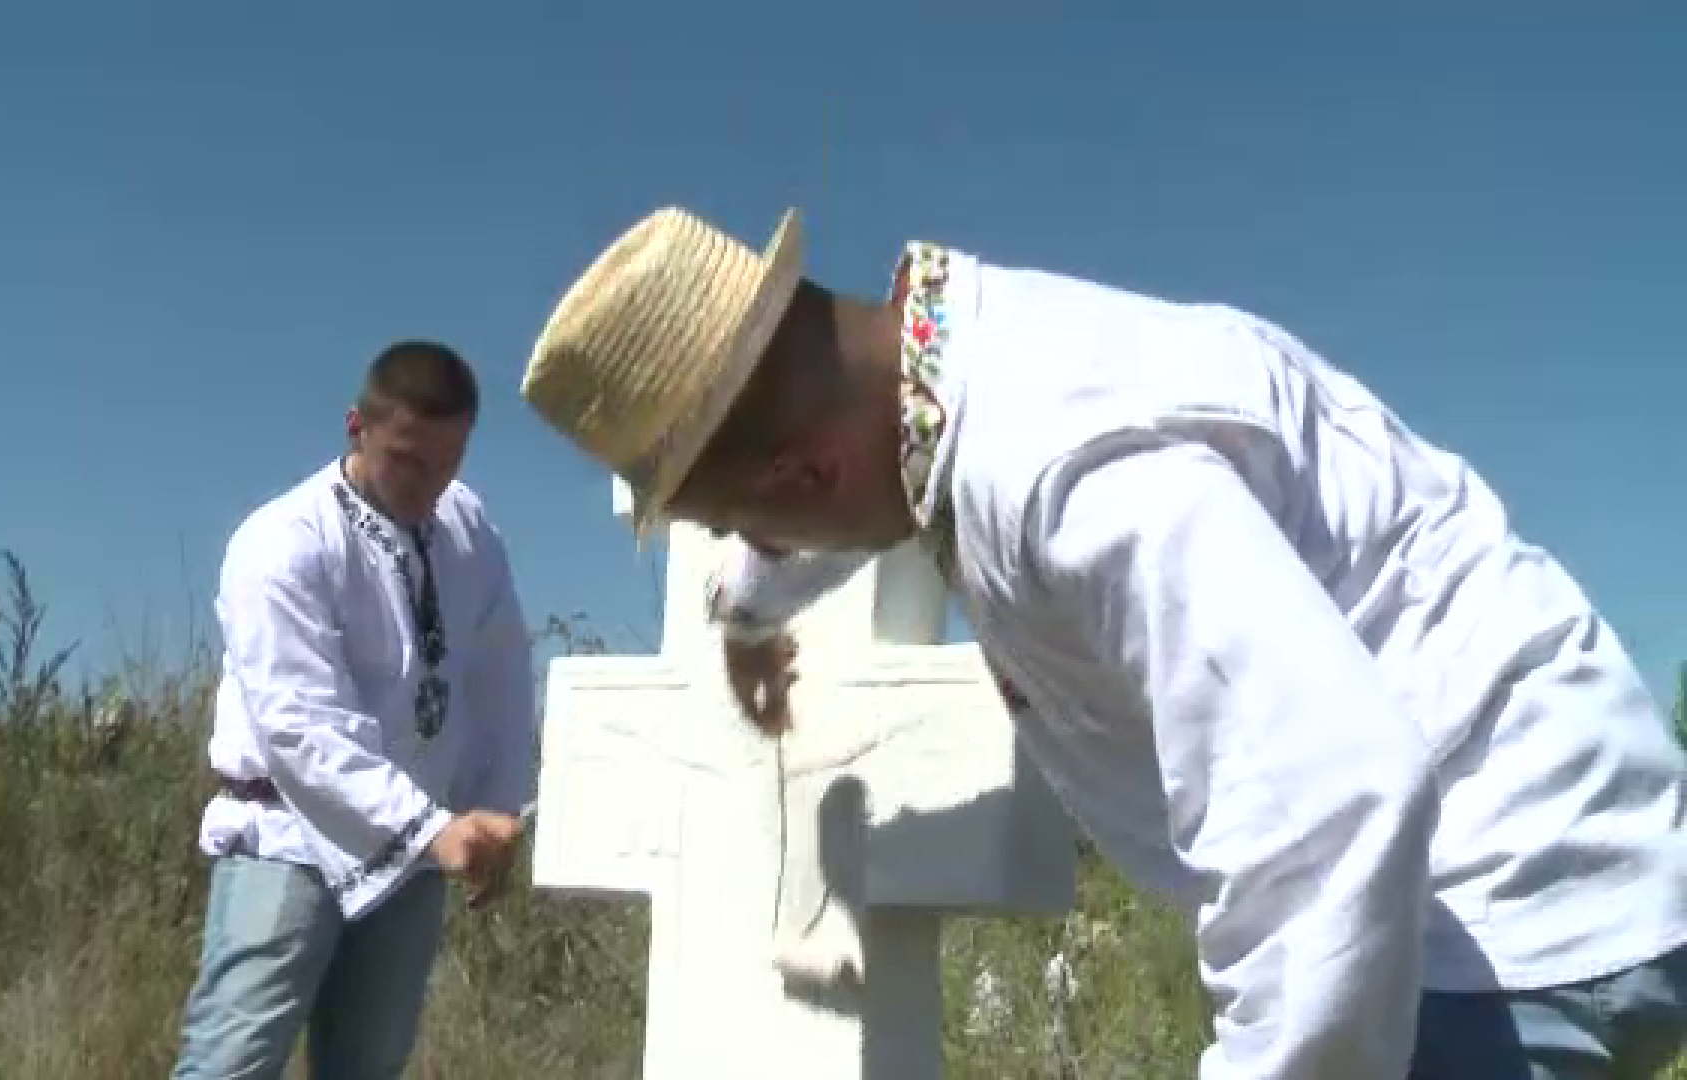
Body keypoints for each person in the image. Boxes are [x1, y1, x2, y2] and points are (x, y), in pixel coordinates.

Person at [518, 206, 1687, 1078]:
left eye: (738, 518)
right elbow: (867, 485)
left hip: (1505, 900)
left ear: (803, 470)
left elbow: (1334, 816)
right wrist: (747, 596)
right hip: (1487, 870)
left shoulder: (1072, 478)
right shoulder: (937, 369)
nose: (750, 542)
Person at [170, 340, 537, 1080]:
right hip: (289, 834)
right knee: (232, 1064)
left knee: (367, 1069)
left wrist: (496, 806)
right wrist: (435, 829)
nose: (428, 484)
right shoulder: (282, 542)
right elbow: (300, 726)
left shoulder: (466, 527)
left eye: (448, 461)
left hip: (410, 855)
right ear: (356, 426)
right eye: (407, 459)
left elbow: (499, 669)